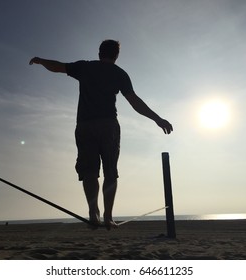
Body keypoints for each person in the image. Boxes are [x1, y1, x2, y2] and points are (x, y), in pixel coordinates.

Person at [29, 40, 173, 230]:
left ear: (99, 52)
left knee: (89, 172)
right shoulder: (120, 74)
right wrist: (157, 119)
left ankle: (93, 213)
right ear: (116, 55)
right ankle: (107, 216)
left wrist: (41, 60)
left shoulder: (85, 67)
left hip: (85, 125)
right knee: (110, 173)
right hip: (108, 126)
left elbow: (58, 67)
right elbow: (135, 102)